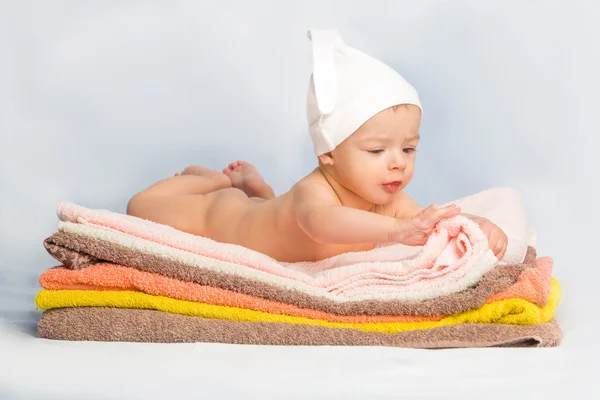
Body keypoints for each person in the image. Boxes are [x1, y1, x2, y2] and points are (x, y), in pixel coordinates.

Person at [126, 30, 508, 263]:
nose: (397, 165)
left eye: (408, 150)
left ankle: (259, 193)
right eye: (378, 151)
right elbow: (320, 225)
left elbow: (428, 220)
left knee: (269, 210)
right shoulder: (315, 192)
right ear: (327, 153)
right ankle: (210, 180)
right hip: (218, 219)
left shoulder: (389, 203)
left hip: (264, 215)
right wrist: (398, 231)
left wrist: (475, 225)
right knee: (139, 206)